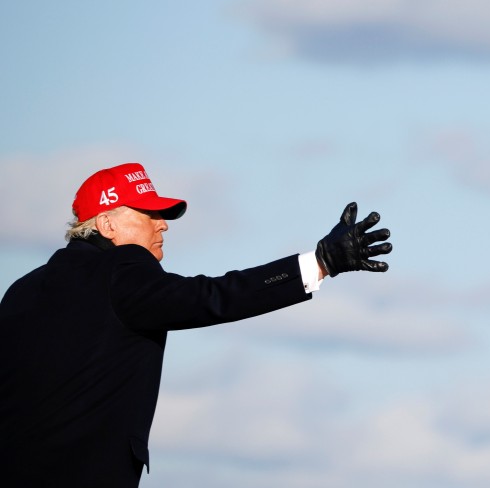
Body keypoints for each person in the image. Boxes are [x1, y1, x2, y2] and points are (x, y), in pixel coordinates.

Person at [0, 162, 392, 487]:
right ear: (107, 224)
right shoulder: (122, 268)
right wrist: (321, 262)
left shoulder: (21, 291)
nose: (163, 225)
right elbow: (212, 298)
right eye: (149, 214)